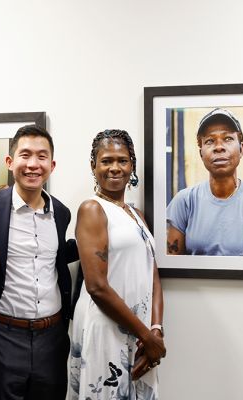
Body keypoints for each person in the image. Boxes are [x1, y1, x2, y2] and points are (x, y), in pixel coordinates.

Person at [0, 124, 79, 400]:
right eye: (25, 155)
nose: (33, 164)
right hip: (0, 337)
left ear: (51, 165)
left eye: (42, 156)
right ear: (10, 162)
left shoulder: (61, 213)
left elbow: (58, 261)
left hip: (52, 339)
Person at [70, 129, 165, 399]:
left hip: (141, 330)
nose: (115, 168)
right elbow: (97, 287)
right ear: (93, 166)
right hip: (106, 328)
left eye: (122, 160)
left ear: (132, 165)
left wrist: (155, 332)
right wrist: (147, 337)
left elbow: (153, 278)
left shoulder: (135, 213)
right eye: (106, 160)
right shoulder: (92, 209)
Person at [166, 108, 243, 256]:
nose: (219, 147)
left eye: (227, 138)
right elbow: (173, 265)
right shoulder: (184, 200)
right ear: (201, 153)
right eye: (209, 141)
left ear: (241, 149)